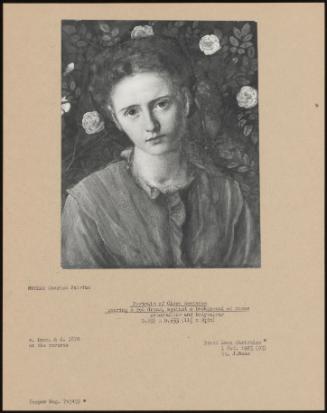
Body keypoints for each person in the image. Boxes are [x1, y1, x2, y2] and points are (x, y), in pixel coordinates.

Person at [61, 35, 260, 268]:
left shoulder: (227, 195)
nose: (151, 125)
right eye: (132, 112)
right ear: (115, 119)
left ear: (185, 101)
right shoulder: (88, 202)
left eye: (161, 104)